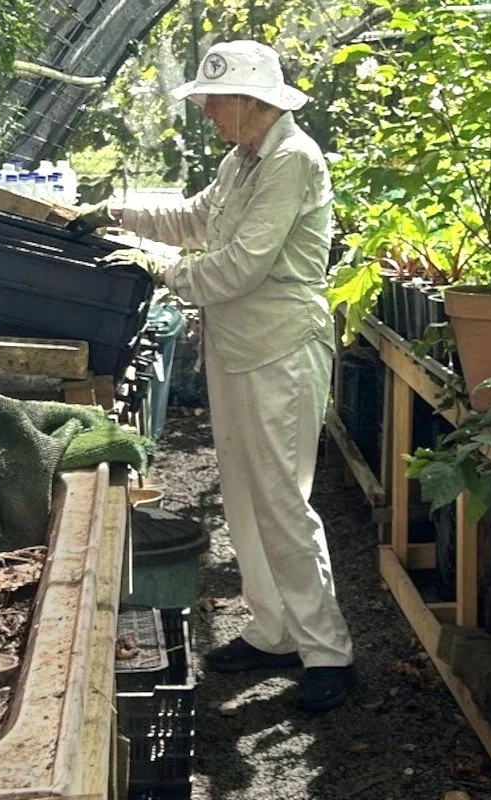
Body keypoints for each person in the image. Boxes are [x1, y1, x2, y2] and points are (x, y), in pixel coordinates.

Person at [75, 40, 355, 711]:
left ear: (247, 99)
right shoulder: (242, 159)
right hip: (236, 346)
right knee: (244, 495)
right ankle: (273, 632)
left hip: (281, 349)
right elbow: (194, 219)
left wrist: (152, 263)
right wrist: (115, 215)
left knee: (283, 499)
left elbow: (239, 267)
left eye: (210, 98)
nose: (203, 110)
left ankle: (328, 653)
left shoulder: (291, 160)